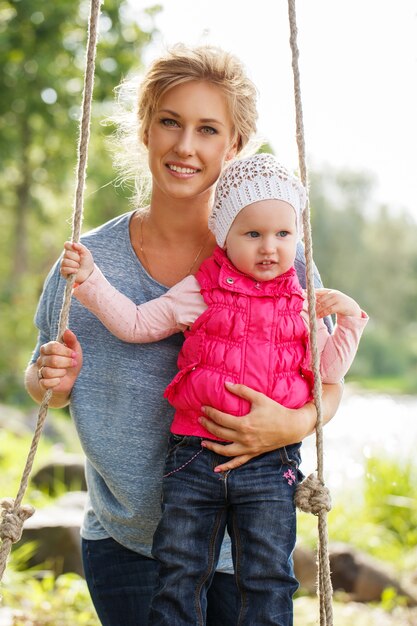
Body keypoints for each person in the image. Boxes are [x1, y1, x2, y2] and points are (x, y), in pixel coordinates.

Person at [25, 44, 345, 626]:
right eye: (170, 122)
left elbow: (328, 383)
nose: (186, 146)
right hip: (129, 543)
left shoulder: (279, 261)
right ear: (146, 130)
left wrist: (294, 423)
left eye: (208, 129)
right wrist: (50, 378)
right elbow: (42, 378)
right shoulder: (88, 261)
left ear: (234, 146)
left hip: (248, 547)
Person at [60, 152, 368, 625]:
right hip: (194, 457)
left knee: (268, 573)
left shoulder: (301, 299)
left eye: (283, 234)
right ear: (224, 235)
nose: (270, 248)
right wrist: (92, 281)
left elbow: (328, 372)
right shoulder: (201, 290)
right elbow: (137, 323)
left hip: (270, 466)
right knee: (181, 566)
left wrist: (348, 319)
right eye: (253, 234)